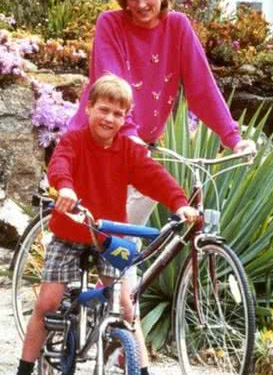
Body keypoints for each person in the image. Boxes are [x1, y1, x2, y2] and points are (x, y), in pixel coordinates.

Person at [65, 0, 257, 372]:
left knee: (127, 251)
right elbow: (109, 80)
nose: (139, 4)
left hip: (139, 149)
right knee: (110, 247)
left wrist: (233, 138)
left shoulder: (178, 28)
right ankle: (115, 340)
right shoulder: (109, 24)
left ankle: (121, 342)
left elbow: (202, 88)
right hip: (101, 144)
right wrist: (128, 131)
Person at [16, 76, 198, 375]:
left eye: (118, 114)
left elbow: (154, 176)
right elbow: (60, 164)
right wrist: (65, 188)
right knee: (48, 302)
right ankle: (23, 368)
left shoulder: (128, 150)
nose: (109, 118)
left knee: (126, 306)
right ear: (88, 109)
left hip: (107, 237)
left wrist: (179, 202)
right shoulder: (73, 141)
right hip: (70, 233)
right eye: (103, 109)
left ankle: (141, 369)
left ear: (125, 119)